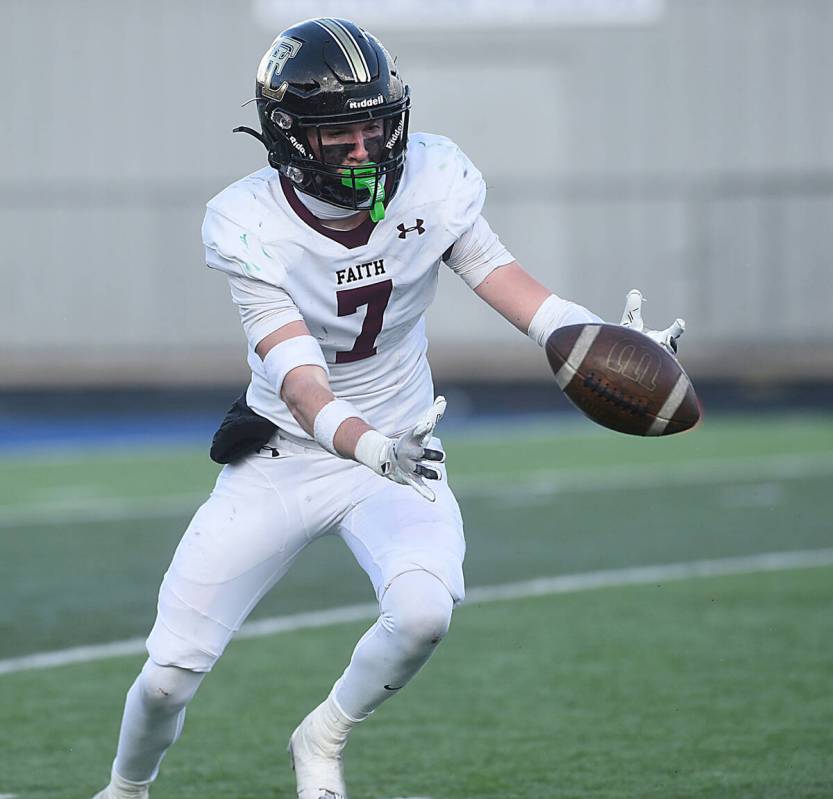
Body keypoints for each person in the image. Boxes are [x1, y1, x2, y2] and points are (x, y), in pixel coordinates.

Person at [93, 17, 684, 799]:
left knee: (422, 612)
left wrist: (599, 338)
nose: (365, 149)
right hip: (288, 454)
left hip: (402, 445)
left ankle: (322, 736)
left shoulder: (434, 180)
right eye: (340, 134)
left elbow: (518, 292)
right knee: (167, 677)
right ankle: (126, 789)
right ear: (291, 137)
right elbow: (302, 384)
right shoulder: (247, 221)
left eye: (373, 124)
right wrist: (366, 446)